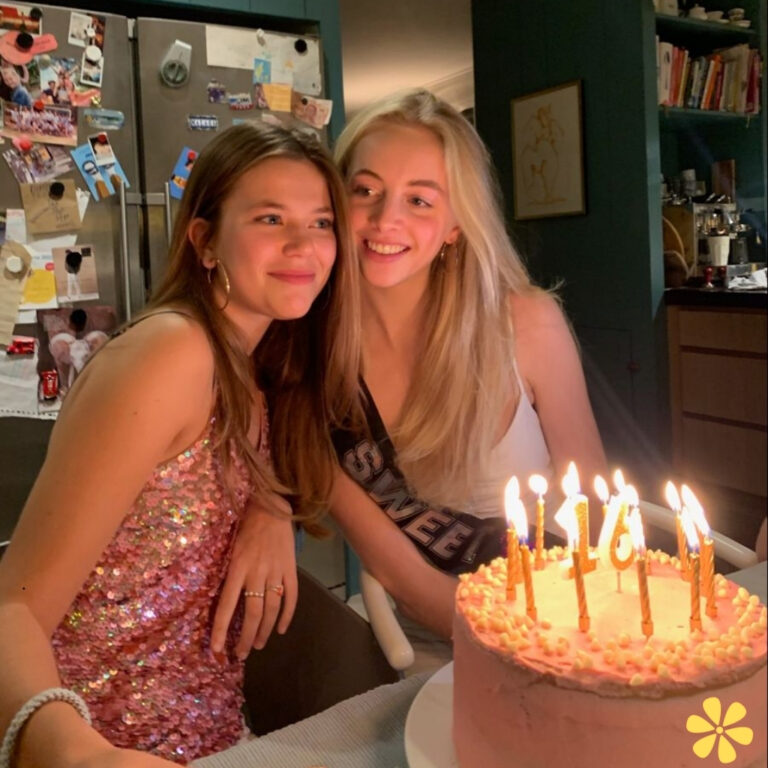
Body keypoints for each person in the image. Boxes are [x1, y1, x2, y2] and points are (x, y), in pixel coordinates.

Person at [0, 123, 361, 765]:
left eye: (322, 222)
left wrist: (269, 509)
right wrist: (74, 752)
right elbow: (11, 612)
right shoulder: (171, 354)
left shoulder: (260, 362)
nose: (304, 245)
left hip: (212, 739)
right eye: (270, 218)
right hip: (106, 743)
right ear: (205, 242)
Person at [328, 89, 606, 645]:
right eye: (365, 190)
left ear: (456, 224)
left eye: (420, 200)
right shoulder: (312, 358)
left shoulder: (526, 322)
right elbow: (409, 583)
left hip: (571, 614)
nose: (386, 219)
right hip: (435, 640)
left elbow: (595, 511)